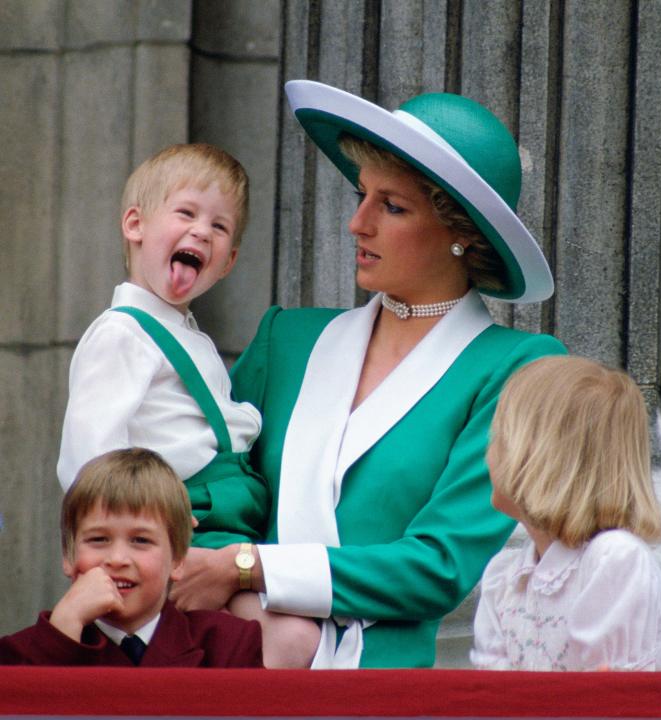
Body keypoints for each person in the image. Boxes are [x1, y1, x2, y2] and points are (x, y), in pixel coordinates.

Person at [169, 81, 566, 669]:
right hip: (233, 664)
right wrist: (231, 581)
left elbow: (439, 566)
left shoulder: (516, 368)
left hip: (382, 690)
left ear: (462, 233)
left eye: (392, 206)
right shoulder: (288, 338)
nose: (358, 223)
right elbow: (213, 493)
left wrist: (250, 569)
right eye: (362, 195)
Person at [55, 143, 319, 667]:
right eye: (186, 213)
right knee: (292, 641)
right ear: (135, 225)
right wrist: (127, 546)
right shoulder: (122, 333)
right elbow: (87, 459)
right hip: (188, 526)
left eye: (220, 228)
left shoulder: (187, 334)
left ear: (229, 262)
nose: (203, 231)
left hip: (228, 524)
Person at [469, 355, 661, 671]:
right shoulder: (504, 578)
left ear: (538, 457)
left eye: (499, 437)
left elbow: (609, 702)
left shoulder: (613, 559)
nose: (487, 454)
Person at [0, 448, 262, 667]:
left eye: (140, 540)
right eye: (98, 539)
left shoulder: (229, 645)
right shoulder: (17, 655)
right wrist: (63, 630)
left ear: (178, 560)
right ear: (68, 555)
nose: (117, 559)